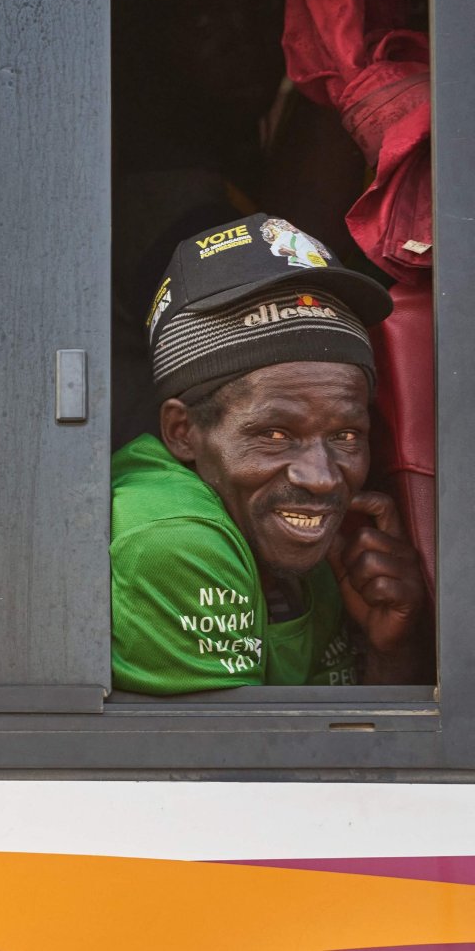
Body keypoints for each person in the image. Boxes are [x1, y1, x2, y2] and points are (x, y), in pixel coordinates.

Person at [112, 213, 431, 694]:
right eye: (276, 435)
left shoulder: (296, 544)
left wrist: (390, 651)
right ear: (182, 432)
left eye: (346, 435)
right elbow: (241, 765)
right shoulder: (172, 541)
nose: (322, 479)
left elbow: (341, 749)